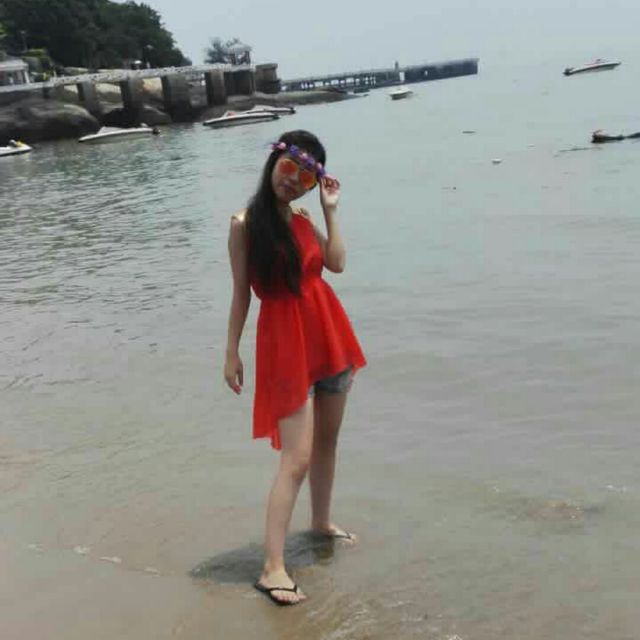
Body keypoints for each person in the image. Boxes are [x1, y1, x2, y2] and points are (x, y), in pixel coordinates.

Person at [224, 130, 366, 606]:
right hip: (285, 344)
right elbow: (241, 293)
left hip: (329, 336)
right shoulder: (244, 225)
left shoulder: (304, 218)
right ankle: (272, 568)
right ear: (274, 163)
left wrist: (330, 210)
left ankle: (321, 523)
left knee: (327, 442)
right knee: (296, 458)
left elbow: (337, 264)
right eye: (289, 168)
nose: (293, 181)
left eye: (306, 177)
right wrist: (231, 351)